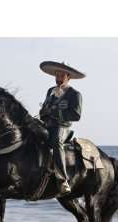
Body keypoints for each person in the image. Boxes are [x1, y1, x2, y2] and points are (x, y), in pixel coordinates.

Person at [39, 61, 86, 196]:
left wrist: (56, 113)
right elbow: (44, 110)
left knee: (56, 141)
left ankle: (62, 180)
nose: (58, 78)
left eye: (61, 75)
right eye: (57, 75)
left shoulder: (75, 94)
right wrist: (44, 111)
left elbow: (76, 116)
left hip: (62, 127)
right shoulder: (50, 91)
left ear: (68, 77)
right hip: (46, 125)